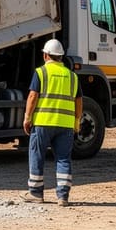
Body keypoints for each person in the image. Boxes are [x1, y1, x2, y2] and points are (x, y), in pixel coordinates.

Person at [22, 38, 82, 207]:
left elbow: (33, 96)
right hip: (65, 124)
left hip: (43, 122)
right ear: (61, 57)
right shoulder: (72, 76)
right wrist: (76, 121)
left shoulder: (41, 72)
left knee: (37, 155)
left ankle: (35, 193)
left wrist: (27, 117)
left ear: (46, 55)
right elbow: (79, 101)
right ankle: (62, 196)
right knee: (63, 159)